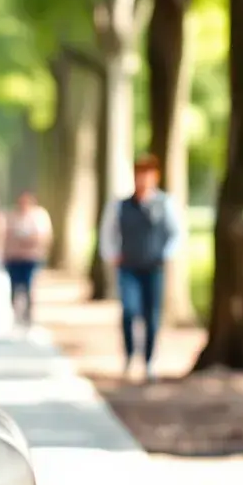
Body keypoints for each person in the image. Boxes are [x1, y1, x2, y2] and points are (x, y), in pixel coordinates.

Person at [99, 153, 182, 381]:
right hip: (128, 267)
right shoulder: (120, 205)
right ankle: (129, 355)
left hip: (153, 267)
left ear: (155, 177)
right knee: (129, 310)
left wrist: (165, 254)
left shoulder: (165, 203)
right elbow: (108, 232)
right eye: (139, 175)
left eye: (147, 175)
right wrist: (112, 254)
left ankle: (149, 361)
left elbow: (176, 233)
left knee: (151, 315)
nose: (143, 180)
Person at [2, 191, 52, 327]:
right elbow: (6, 236)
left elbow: (44, 236)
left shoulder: (39, 216)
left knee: (29, 285)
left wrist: (30, 241)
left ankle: (28, 314)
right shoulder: (11, 215)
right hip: (13, 258)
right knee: (14, 285)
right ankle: (15, 313)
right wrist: (4, 254)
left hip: (31, 257)